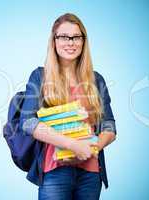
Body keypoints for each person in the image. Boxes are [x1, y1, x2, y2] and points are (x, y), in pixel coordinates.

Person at [19, 13, 116, 200]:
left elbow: (109, 126)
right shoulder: (40, 77)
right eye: (64, 37)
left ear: (83, 41)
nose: (70, 42)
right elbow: (28, 122)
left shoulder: (97, 80)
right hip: (55, 171)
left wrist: (92, 148)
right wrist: (72, 145)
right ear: (54, 41)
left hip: (90, 173)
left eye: (76, 37)